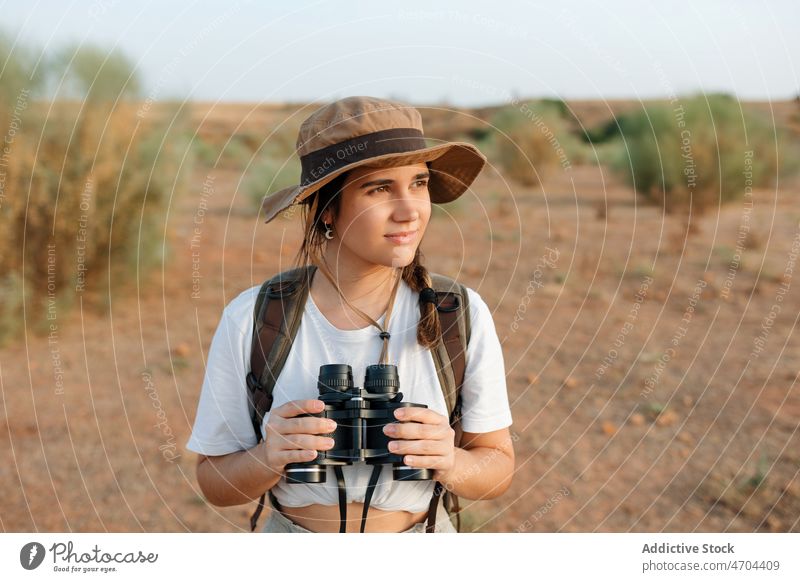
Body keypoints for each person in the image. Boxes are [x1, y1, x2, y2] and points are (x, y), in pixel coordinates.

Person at [185, 96, 514, 533]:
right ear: (326, 211)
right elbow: (215, 483)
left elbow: (498, 469)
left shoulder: (459, 314)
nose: (410, 209)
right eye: (380, 188)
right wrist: (269, 457)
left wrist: (449, 460)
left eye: (418, 183)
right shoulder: (255, 317)